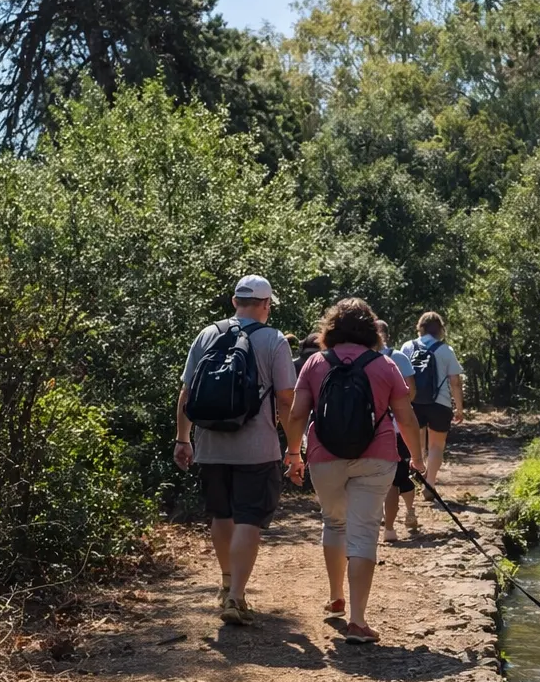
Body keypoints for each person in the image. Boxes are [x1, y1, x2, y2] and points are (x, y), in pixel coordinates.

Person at [283, 298, 422, 644]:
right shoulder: (384, 364)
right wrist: (417, 458)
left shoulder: (315, 362)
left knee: (334, 522)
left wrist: (293, 453)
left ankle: (335, 599)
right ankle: (358, 622)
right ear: (371, 331)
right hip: (376, 457)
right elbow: (405, 417)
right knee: (363, 533)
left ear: (330, 328)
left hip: (324, 455)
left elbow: (298, 413)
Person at [174, 275, 296, 626]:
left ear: (234, 301)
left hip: (210, 444)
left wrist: (184, 439)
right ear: (266, 305)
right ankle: (236, 595)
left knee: (221, 514)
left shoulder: (207, 334)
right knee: (249, 518)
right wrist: (293, 448)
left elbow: (186, 394)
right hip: (257, 448)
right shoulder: (273, 340)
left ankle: (227, 579)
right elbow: (286, 399)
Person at [400, 311, 464, 500]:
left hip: (413, 404)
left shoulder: (407, 347)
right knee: (436, 445)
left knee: (417, 444)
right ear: (440, 330)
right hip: (440, 404)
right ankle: (430, 484)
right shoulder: (445, 350)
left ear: (420, 328)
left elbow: (400, 376)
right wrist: (459, 407)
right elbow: (455, 382)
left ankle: (418, 474)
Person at [376, 319, 421, 542]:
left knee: (387, 478)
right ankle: (398, 520)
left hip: (371, 430)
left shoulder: (358, 358)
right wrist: (397, 407)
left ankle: (392, 522)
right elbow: (411, 391)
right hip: (396, 427)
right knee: (398, 477)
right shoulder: (398, 358)